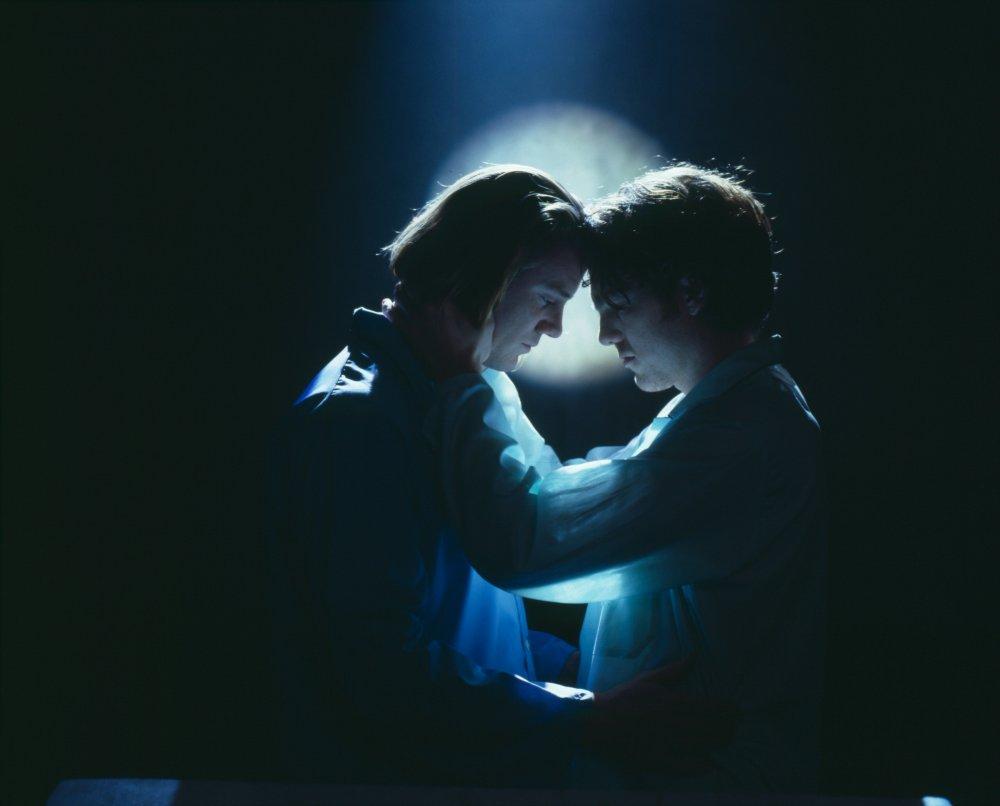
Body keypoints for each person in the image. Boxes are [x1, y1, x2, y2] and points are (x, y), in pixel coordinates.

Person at [266, 164, 735, 787]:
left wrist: (574, 673)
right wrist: (587, 716)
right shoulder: (359, 423)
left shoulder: (440, 400)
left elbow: (465, 618)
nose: (556, 328)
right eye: (548, 299)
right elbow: (383, 671)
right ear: (483, 277)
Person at [428, 164, 826, 791]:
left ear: (690, 293)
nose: (606, 333)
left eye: (617, 305)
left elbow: (524, 543)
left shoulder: (740, 438)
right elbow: (561, 500)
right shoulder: (717, 415)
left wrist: (464, 374)